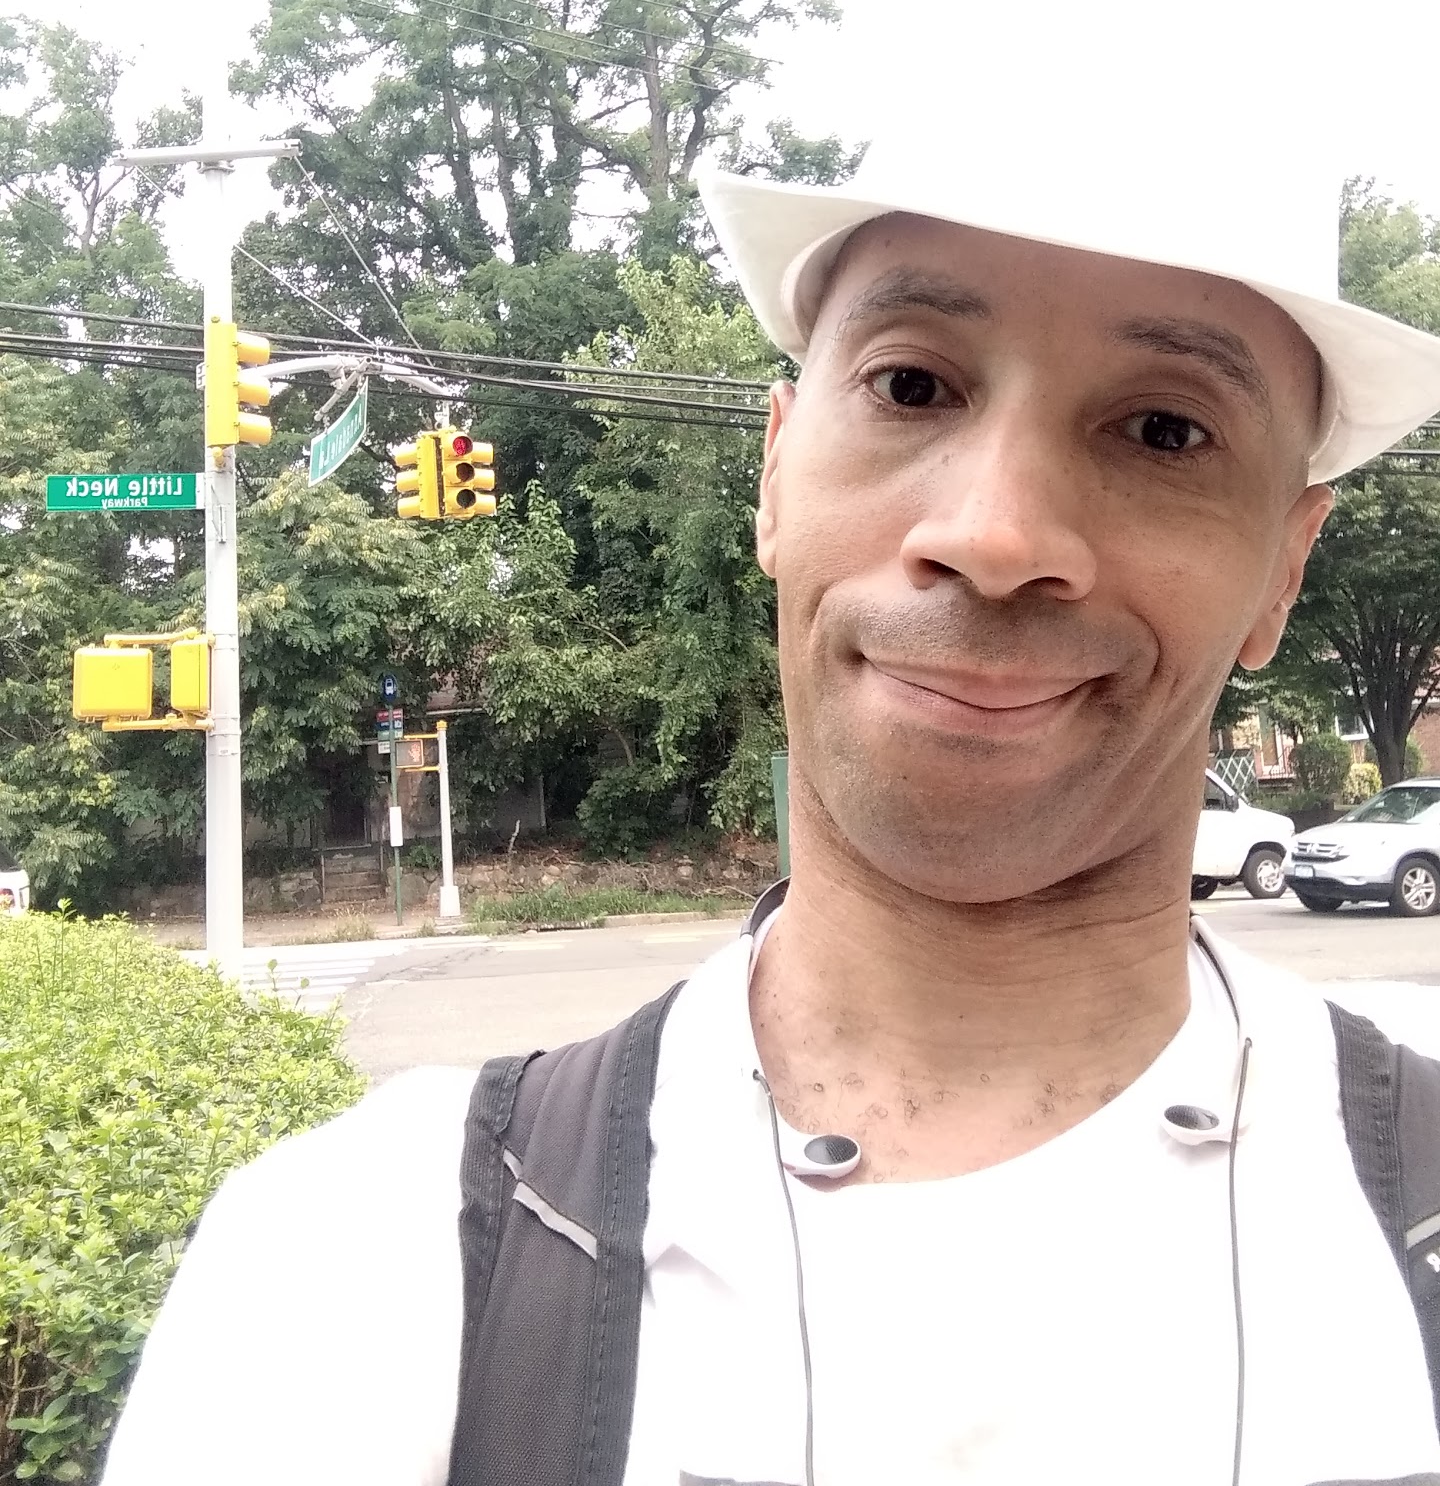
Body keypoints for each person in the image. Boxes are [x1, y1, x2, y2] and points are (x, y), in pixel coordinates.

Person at [103, 146, 1440, 1486]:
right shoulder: (349, 1272)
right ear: (776, 474)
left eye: (1164, 431)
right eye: (912, 385)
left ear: (1284, 565)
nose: (994, 535)